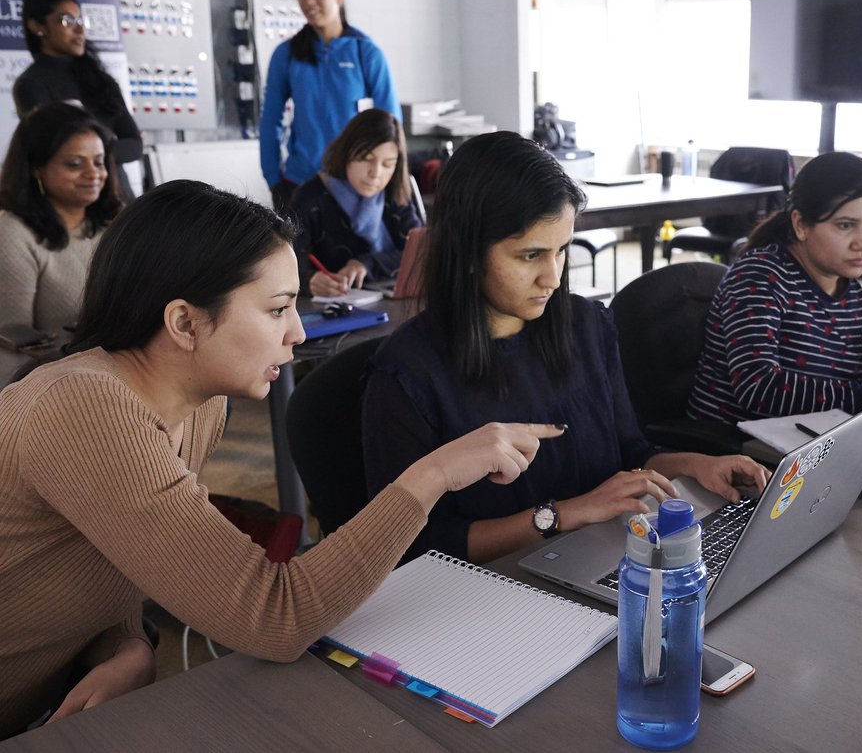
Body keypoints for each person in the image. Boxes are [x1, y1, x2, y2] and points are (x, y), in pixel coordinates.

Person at [0, 179, 561, 738]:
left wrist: (127, 640)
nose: (297, 332)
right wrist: (433, 474)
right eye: (277, 309)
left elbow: (121, 546)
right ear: (185, 323)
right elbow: (275, 617)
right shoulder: (85, 407)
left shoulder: (198, 404)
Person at [362, 131, 769, 565]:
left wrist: (695, 465)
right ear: (468, 252)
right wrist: (565, 514)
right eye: (530, 256)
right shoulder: (407, 376)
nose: (553, 278)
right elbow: (415, 547)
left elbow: (631, 453)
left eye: (561, 251)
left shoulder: (587, 326)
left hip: (602, 554)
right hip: (493, 585)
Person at [688, 152, 862, 424]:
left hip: (806, 433)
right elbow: (758, 388)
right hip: (732, 441)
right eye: (845, 225)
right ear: (801, 225)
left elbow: (837, 380)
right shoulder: (760, 276)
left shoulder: (850, 290)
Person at [259, 0, 400, 212]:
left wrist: (391, 182)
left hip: (353, 185)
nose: (309, 1)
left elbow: (391, 125)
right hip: (300, 183)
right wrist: (273, 179)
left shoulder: (365, 52)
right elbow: (270, 119)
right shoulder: (287, 54)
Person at [0, 102, 122, 335]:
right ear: (37, 169)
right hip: (56, 359)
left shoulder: (115, 222)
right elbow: (11, 339)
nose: (93, 173)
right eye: (74, 164)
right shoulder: (12, 234)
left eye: (99, 162)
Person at [14, 0, 142, 201]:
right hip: (72, 203)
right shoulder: (31, 85)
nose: (79, 28)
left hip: (120, 198)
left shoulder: (101, 80)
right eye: (67, 21)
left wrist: (90, 154)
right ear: (37, 27)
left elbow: (135, 146)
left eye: (81, 20)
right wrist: (107, 149)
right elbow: (56, 152)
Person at [290, 108, 422, 297]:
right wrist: (309, 280)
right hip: (332, 304)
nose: (376, 173)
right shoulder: (310, 197)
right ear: (346, 153)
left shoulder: (396, 192)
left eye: (388, 164)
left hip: (392, 300)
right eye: (366, 159)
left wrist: (366, 264)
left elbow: (419, 253)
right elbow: (286, 261)